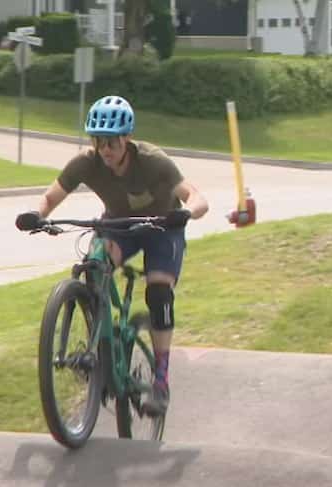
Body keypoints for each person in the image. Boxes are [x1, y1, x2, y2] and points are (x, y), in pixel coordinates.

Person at [15, 95, 210, 416]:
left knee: (159, 291)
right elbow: (52, 196)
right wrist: (37, 214)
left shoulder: (153, 160)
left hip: (163, 228)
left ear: (127, 139)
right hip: (119, 227)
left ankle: (160, 380)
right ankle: (98, 351)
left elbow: (196, 196)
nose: (105, 150)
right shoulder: (85, 162)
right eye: (99, 141)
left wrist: (186, 214)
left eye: (112, 143)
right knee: (94, 265)